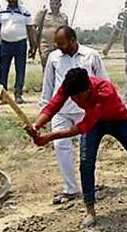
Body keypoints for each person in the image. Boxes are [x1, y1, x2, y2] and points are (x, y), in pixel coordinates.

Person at [26, 68, 127, 228]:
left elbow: (83, 126)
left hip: (118, 119)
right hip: (94, 122)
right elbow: (53, 106)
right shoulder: (70, 85)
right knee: (86, 163)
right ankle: (90, 211)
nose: (75, 99)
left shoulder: (105, 91)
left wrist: (49, 137)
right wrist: (37, 125)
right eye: (72, 96)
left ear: (87, 89)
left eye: (78, 96)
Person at [40, 26, 108, 205]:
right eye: (57, 43)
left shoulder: (91, 55)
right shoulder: (53, 58)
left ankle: (89, 185)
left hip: (85, 112)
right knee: (61, 146)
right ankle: (70, 189)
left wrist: (101, 110)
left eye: (61, 43)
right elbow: (48, 85)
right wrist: (43, 111)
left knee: (87, 150)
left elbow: (103, 82)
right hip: (60, 111)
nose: (58, 46)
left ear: (72, 40)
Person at [0, 0, 39, 105]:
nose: (12, 0)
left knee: (20, 69)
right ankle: (3, 95)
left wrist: (33, 46)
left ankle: (18, 94)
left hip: (20, 44)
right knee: (3, 70)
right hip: (5, 44)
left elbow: (30, 30)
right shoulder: (1, 11)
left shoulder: (24, 12)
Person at [35, 0, 69, 70]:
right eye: (52, 4)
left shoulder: (64, 17)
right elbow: (34, 28)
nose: (54, 6)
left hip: (59, 46)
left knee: (59, 66)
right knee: (46, 66)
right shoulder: (42, 14)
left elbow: (67, 31)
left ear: (60, 5)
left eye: (56, 4)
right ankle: (46, 81)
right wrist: (34, 44)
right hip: (45, 45)